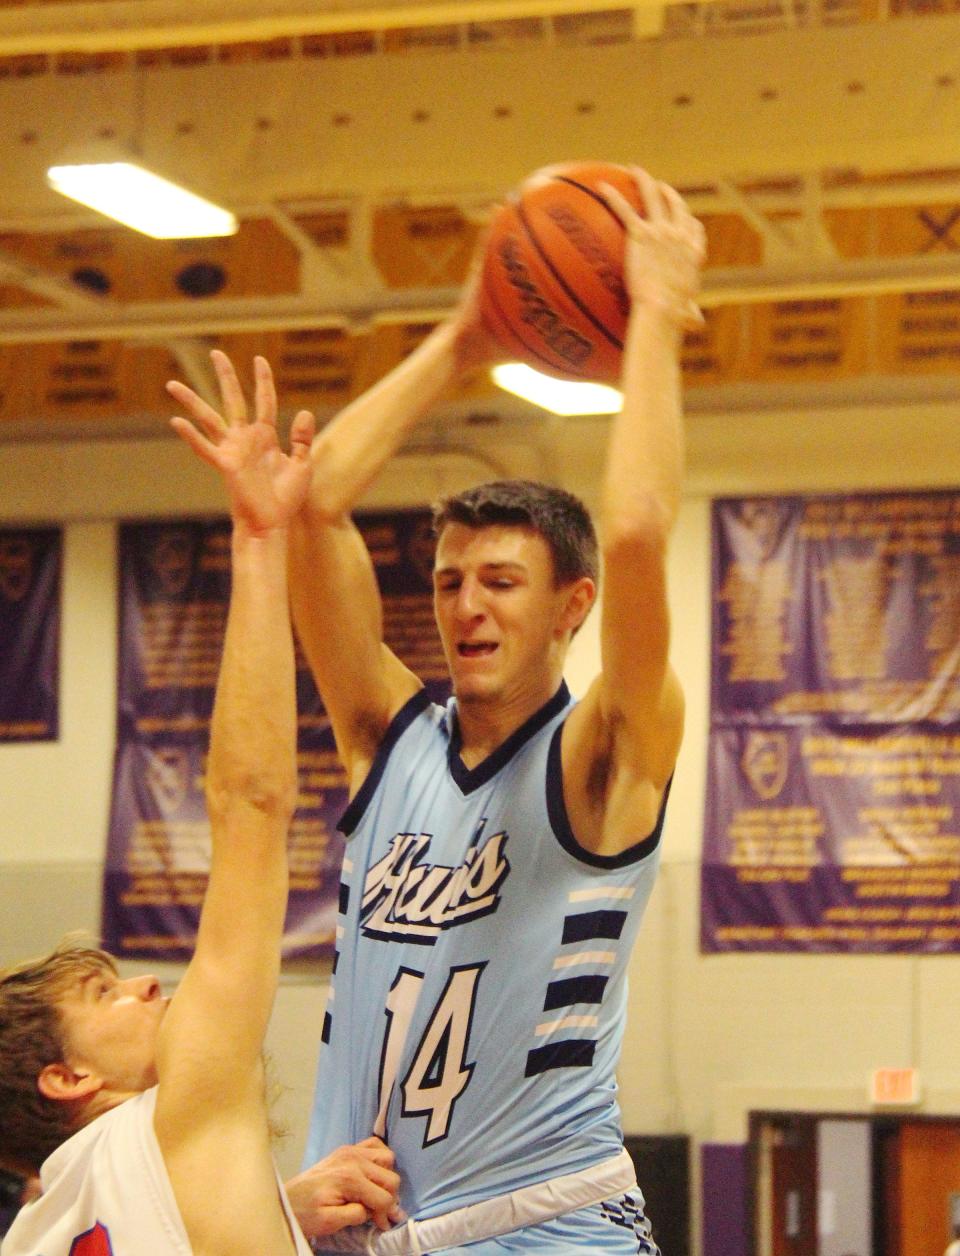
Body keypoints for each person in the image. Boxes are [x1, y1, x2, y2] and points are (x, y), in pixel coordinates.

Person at [279, 166, 706, 1255]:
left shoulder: (604, 752)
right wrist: (467, 335)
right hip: (370, 1226)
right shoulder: (390, 731)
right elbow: (313, 500)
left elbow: (644, 530)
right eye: (448, 579)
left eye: (501, 582)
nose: (466, 604)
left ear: (573, 604)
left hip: (547, 1226)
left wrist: (654, 318)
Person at [0, 354, 401, 1255]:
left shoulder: (37, 1228)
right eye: (104, 993)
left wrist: (271, 1213)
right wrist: (259, 539)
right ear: (68, 1078)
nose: (146, 982)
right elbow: (251, 807)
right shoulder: (177, 1116)